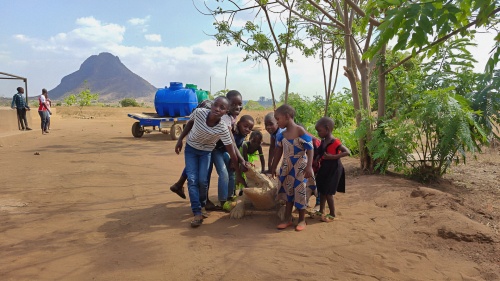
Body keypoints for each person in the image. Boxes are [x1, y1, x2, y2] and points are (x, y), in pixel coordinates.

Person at [170, 91, 247, 203]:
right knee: (204, 175)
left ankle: (182, 186)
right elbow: (232, 144)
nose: (237, 107)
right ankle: (203, 202)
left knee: (202, 173)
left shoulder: (231, 117)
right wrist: (241, 160)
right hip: (210, 148)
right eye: (233, 104)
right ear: (228, 107)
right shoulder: (222, 118)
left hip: (209, 147)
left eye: (239, 104)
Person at [175, 96, 240, 228]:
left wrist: (238, 169)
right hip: (191, 150)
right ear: (212, 105)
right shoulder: (199, 113)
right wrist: (180, 139)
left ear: (225, 111)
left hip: (206, 153)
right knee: (192, 180)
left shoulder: (222, 128)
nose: (217, 109)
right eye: (216, 105)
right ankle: (197, 211)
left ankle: (202, 204)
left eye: (222, 108)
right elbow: (190, 124)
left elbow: (231, 149)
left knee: (203, 181)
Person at [270, 104, 314, 232]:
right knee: (288, 191)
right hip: (287, 166)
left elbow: (310, 149)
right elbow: (278, 152)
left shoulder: (300, 131)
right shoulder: (281, 135)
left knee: (300, 191)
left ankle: (301, 220)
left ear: (287, 117)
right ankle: (287, 219)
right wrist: (273, 167)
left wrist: (309, 167)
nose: (277, 122)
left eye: (278, 119)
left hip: (300, 165)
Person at [314, 117, 350, 222]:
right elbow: (320, 152)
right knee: (322, 190)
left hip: (334, 169)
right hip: (325, 168)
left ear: (327, 129)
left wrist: (332, 157)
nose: (318, 133)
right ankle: (321, 210)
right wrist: (317, 159)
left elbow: (347, 152)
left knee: (329, 192)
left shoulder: (335, 142)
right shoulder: (323, 141)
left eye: (319, 131)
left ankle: (332, 213)